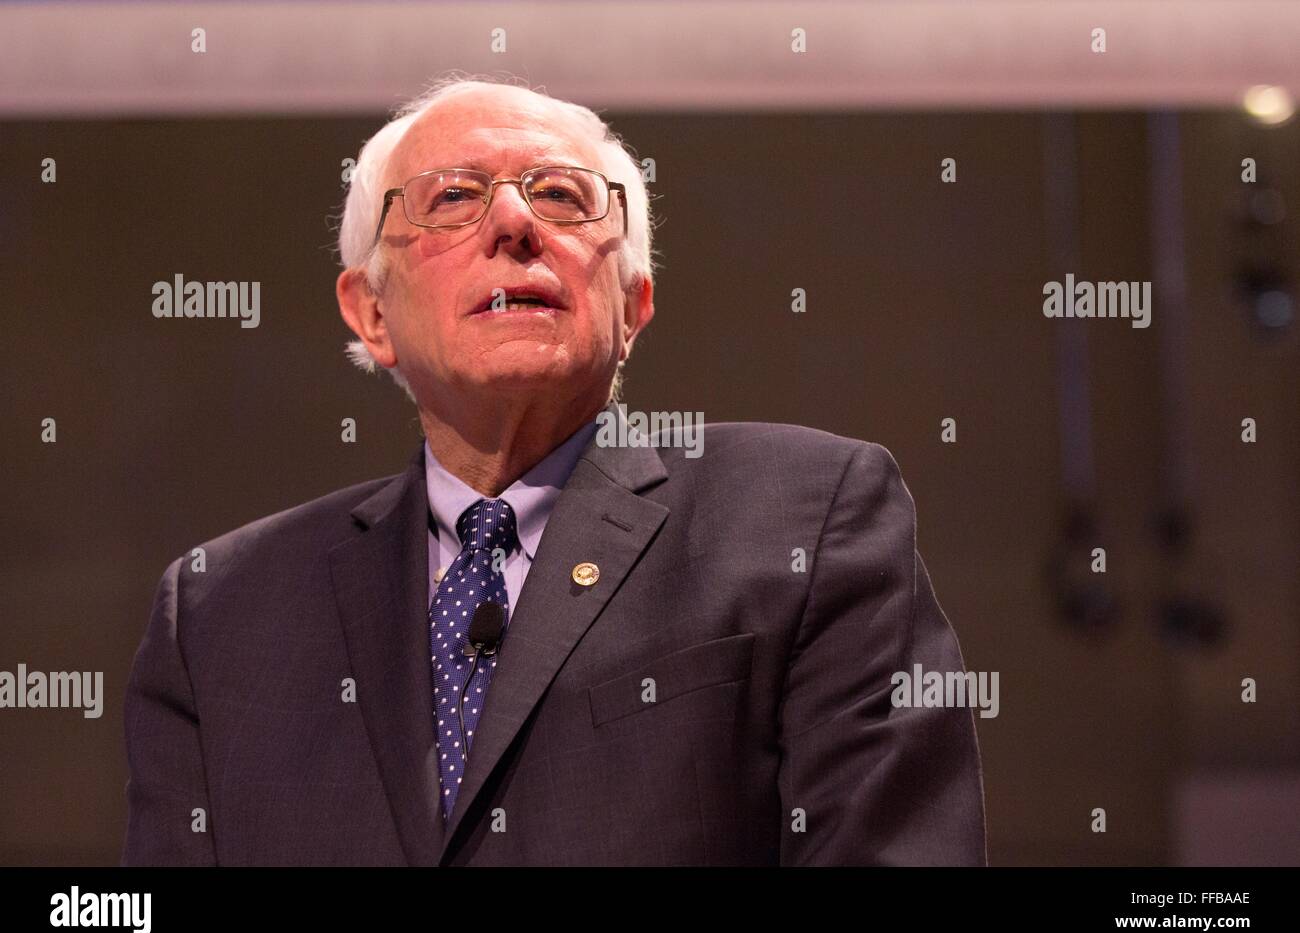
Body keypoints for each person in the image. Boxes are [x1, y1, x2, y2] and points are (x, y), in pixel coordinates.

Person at [121, 73, 986, 865]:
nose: (514, 223)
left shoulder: (807, 515)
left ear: (633, 306)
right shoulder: (218, 613)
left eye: (562, 197)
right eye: (454, 196)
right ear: (371, 311)